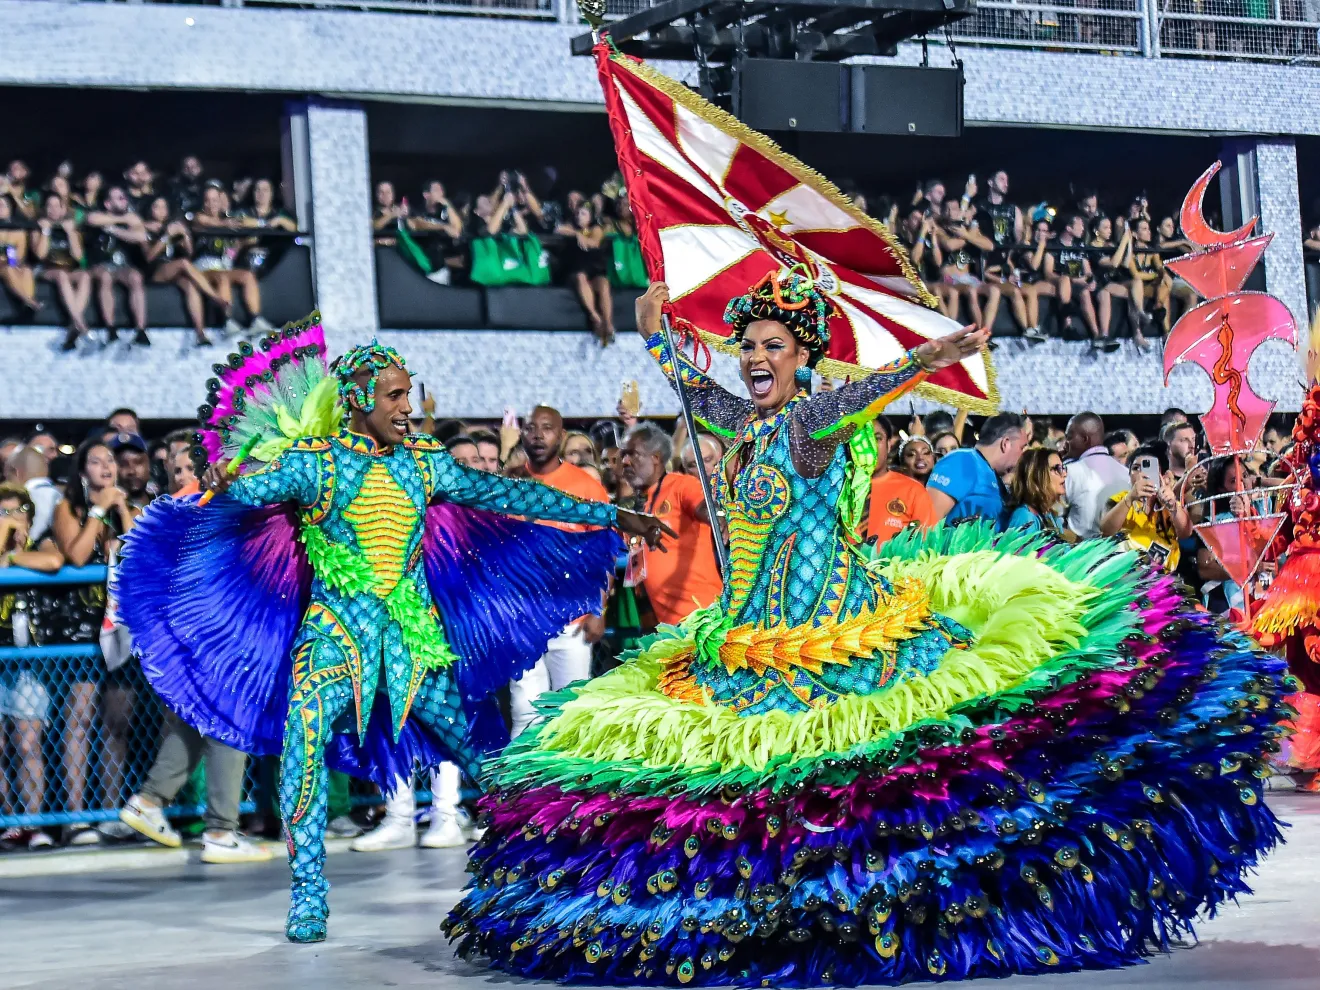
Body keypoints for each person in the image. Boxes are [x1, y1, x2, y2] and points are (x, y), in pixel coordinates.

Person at [447, 271, 1289, 985]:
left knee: (867, 784)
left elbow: (865, 391)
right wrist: (654, 331)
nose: (755, 359)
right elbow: (692, 387)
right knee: (754, 795)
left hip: (840, 639)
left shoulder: (813, 423)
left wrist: (929, 359)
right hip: (748, 642)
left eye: (775, 346)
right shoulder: (738, 426)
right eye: (750, 346)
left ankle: (911, 913)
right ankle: (774, 927)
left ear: (803, 356)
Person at [117, 319, 669, 942]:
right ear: (356, 400)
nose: (409, 408)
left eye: (409, 395)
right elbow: (244, 491)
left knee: (483, 758)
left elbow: (515, 497)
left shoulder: (426, 466)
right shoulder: (313, 464)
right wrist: (224, 481)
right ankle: (308, 897)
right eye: (396, 396)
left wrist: (610, 514)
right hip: (332, 637)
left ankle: (553, 863)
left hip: (412, 641)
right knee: (302, 751)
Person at [117, 464, 272, 864]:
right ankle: (221, 830)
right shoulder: (221, 506)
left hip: (185, 627)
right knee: (229, 723)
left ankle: (148, 802)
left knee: (191, 719)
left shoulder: (185, 503)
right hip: (216, 627)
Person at [41, 439, 137, 845]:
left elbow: (139, 552)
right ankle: (76, 816)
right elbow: (77, 556)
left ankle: (112, 813)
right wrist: (98, 511)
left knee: (119, 724)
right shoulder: (69, 509)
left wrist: (120, 510)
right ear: (82, 472)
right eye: (96, 461)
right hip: (80, 631)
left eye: (110, 460)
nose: (106, 467)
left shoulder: (125, 508)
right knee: (78, 722)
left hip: (119, 630)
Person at [508, 404, 614, 737]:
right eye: (530, 427)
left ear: (562, 435)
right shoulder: (510, 485)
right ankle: (524, 788)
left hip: (574, 621)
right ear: (522, 434)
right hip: (522, 622)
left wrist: (600, 609)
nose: (538, 434)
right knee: (525, 712)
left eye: (547, 428)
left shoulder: (586, 486)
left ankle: (569, 791)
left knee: (572, 715)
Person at [0, 483, 63, 850]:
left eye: (16, 512)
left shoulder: (43, 543)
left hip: (30, 663)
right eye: (3, 513)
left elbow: (53, 562)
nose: (11, 521)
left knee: (27, 743)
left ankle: (34, 820)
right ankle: (10, 820)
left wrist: (12, 557)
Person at [619, 422, 723, 628]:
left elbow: (704, 508)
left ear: (655, 458)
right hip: (664, 627)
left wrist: (717, 516)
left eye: (633, 455)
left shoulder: (681, 485)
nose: (625, 462)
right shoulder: (635, 506)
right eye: (623, 455)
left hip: (701, 620)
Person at [143, 195, 230, 346]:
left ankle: (201, 334)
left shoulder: (172, 226)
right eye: (157, 207)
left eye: (164, 207)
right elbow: (149, 257)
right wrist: (165, 237)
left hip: (175, 271)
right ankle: (216, 298)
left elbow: (190, 254)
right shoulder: (145, 227)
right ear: (150, 209)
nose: (161, 211)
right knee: (182, 263)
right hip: (155, 271)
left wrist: (184, 235)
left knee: (190, 286)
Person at [1100, 441, 1193, 572]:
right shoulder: (1119, 500)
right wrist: (1130, 498)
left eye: (1149, 469)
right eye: (1136, 468)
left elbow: (1185, 533)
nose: (1141, 474)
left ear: (1164, 476)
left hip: (1163, 582)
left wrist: (1172, 506)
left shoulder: (1170, 503)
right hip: (1124, 579)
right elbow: (1106, 532)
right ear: (1129, 474)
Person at [926, 411, 1028, 526]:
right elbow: (927, 523)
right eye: (1022, 447)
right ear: (1006, 443)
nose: (1023, 455)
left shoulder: (994, 475)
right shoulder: (962, 461)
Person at [84, 186, 152, 346]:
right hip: (100, 265)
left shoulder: (132, 219)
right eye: (118, 197)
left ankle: (141, 330)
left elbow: (141, 236)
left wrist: (113, 230)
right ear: (107, 203)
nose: (123, 199)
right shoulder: (101, 215)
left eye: (124, 196)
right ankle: (111, 328)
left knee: (136, 277)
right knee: (106, 277)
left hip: (122, 266)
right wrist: (122, 221)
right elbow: (91, 219)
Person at [30, 192, 91, 350]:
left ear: (64, 208)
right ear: (45, 208)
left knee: (85, 276)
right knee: (62, 276)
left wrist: (71, 233)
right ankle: (80, 323)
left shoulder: (71, 227)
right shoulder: (38, 226)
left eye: (57, 206)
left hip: (69, 267)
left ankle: (74, 325)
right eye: (50, 206)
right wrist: (46, 231)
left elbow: (78, 256)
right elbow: (40, 255)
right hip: (45, 269)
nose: (53, 209)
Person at [1062, 411, 1130, 539]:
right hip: (1121, 554)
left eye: (1069, 437)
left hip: (1080, 555)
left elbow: (1053, 520)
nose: (1066, 443)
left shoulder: (1070, 472)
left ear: (1085, 439)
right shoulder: (1126, 473)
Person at [865, 417, 933, 543]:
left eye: (877, 438)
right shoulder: (837, 489)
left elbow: (924, 546)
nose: (869, 445)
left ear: (889, 444)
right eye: (863, 438)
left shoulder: (914, 491)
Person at [556, 200, 613, 345]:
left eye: (583, 214)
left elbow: (593, 243)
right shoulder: (571, 227)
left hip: (593, 269)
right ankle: (595, 317)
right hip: (575, 270)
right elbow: (558, 229)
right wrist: (577, 234)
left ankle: (608, 322)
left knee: (603, 283)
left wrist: (583, 236)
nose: (579, 216)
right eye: (577, 213)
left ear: (591, 216)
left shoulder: (596, 229)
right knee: (581, 277)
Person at [1006, 445, 1068, 533]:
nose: (1064, 474)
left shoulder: (1049, 514)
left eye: (1063, 468)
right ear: (1037, 476)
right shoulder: (1025, 518)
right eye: (1057, 468)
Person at [7, 445, 61, 544]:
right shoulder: (58, 494)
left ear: (17, 472)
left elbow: (28, 540)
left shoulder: (31, 499)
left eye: (7, 475)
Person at [0, 195, 40, 315]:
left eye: (3, 206)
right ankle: (29, 301)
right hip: (3, 266)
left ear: (10, 209)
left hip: (11, 263)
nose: (0, 208)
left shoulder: (19, 231)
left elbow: (19, 257)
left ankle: (28, 303)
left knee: (26, 270)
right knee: (8, 269)